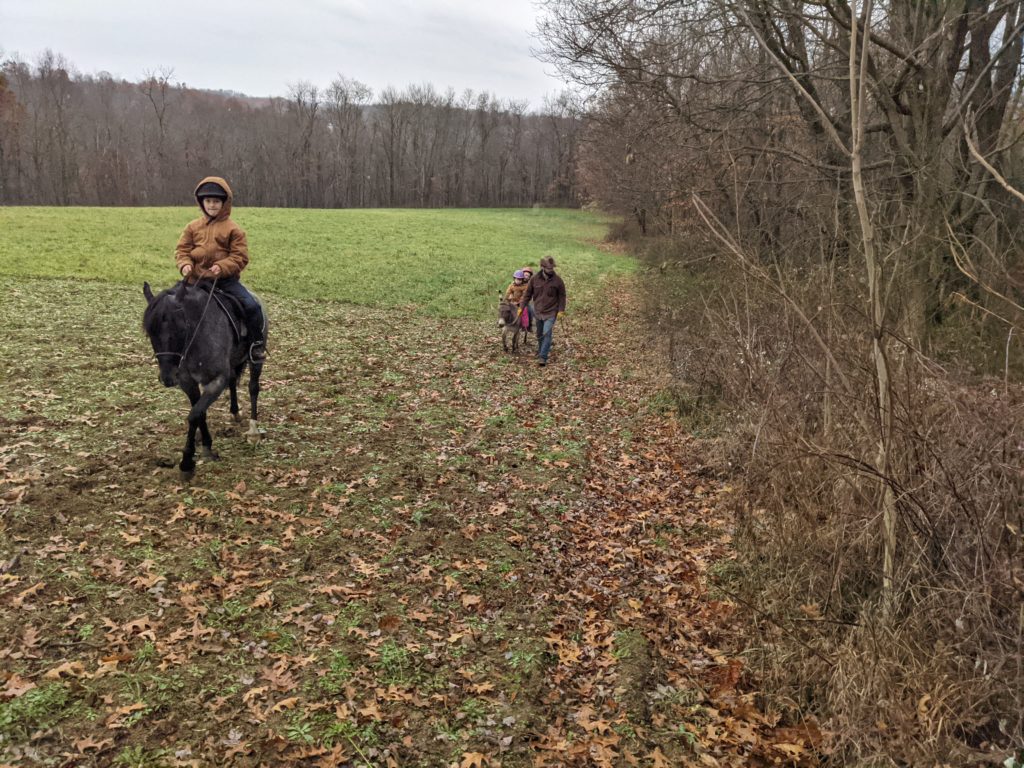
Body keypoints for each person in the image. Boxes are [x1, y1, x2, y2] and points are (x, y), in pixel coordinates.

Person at [175, 176, 266, 363]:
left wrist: (222, 266)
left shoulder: (234, 230)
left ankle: (255, 345)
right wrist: (185, 264)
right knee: (170, 306)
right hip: (196, 281)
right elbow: (182, 250)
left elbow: (240, 256)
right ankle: (174, 348)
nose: (212, 205)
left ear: (224, 203)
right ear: (201, 203)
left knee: (252, 306)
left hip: (224, 282)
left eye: (216, 201)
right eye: (208, 201)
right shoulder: (192, 227)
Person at [520, 256, 566, 367]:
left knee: (547, 333)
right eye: (549, 268)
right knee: (539, 334)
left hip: (551, 312)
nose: (551, 270)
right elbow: (527, 295)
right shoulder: (534, 279)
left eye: (552, 268)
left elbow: (562, 296)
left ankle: (543, 357)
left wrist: (561, 310)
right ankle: (541, 351)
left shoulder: (558, 281)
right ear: (542, 267)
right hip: (538, 311)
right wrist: (521, 307)